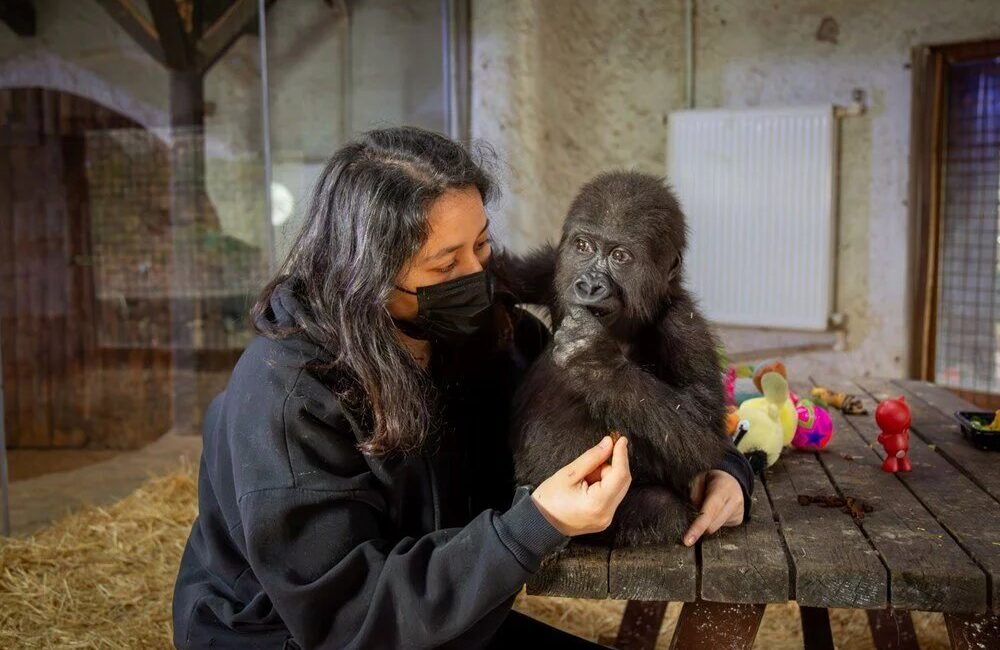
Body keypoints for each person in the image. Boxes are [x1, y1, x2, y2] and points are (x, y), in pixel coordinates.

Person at [171, 126, 753, 649]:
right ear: (364, 275)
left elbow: (648, 412)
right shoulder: (286, 395)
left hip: (431, 615)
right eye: (446, 266)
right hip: (299, 635)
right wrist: (536, 523)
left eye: (482, 246)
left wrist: (726, 468)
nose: (480, 280)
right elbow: (343, 618)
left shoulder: (477, 333)